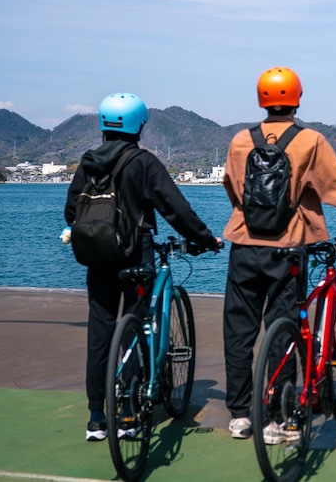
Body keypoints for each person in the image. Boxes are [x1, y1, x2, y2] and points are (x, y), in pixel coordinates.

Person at [221, 66, 336, 441]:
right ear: (296, 99)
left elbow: (233, 189)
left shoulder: (239, 141)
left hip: (244, 245)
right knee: (283, 331)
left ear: (261, 99)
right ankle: (277, 420)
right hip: (288, 248)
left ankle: (239, 415)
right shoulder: (310, 141)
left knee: (239, 331)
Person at [64, 93, 222, 442]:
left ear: (104, 124)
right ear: (139, 125)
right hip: (135, 257)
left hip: (96, 256)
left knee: (100, 331)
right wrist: (207, 239)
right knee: (136, 328)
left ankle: (95, 417)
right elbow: (175, 209)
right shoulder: (143, 162)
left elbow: (71, 212)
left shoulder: (88, 162)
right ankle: (129, 413)